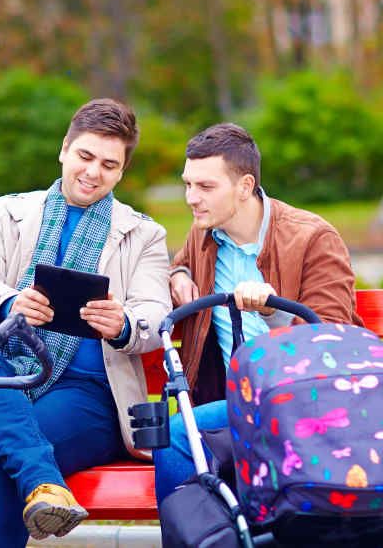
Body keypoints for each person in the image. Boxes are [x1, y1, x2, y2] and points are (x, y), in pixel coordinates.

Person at [0, 98, 172, 547]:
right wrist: (12, 303)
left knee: (2, 453)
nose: (93, 172)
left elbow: (156, 313)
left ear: (121, 172)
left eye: (109, 165)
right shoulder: (4, 213)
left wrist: (124, 323)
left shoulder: (144, 234)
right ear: (64, 150)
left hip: (90, 396)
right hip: (14, 377)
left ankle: (36, 478)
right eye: (85, 156)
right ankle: (43, 484)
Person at [154, 122, 363, 504]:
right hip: (235, 403)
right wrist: (180, 274)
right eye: (187, 184)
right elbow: (181, 262)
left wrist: (274, 314)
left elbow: (331, 337)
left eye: (205, 187)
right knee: (177, 433)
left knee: (179, 436)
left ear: (245, 186)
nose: (190, 198)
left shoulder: (313, 237)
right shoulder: (203, 233)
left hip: (305, 403)